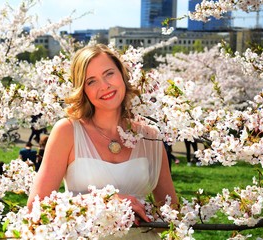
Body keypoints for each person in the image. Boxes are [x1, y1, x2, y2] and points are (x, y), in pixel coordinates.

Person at [27, 44, 178, 239]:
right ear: (83, 90)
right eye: (91, 81)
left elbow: (171, 212)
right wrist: (104, 201)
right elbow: (36, 207)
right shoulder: (67, 131)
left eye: (109, 74)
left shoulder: (150, 136)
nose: (104, 86)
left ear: (122, 76)